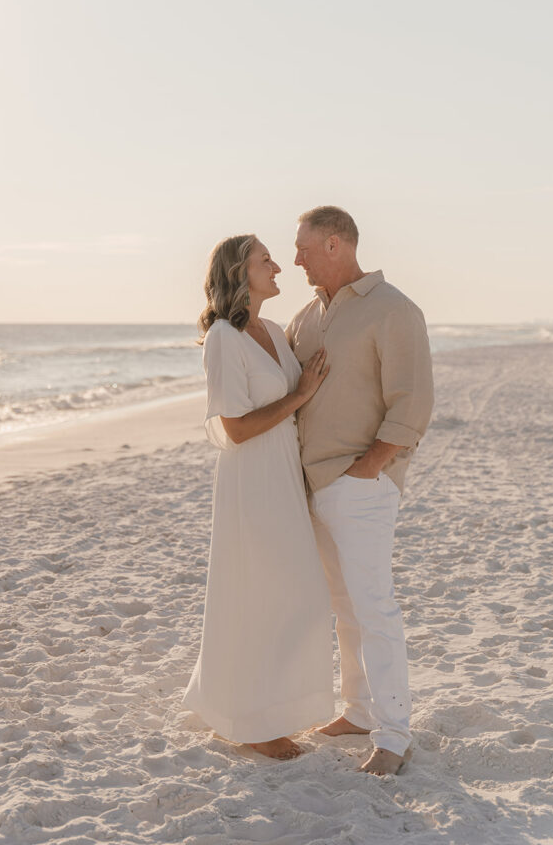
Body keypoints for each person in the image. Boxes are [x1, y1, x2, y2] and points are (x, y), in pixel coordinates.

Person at [287, 206, 434, 776]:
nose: (294, 257)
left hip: (361, 483)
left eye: (302, 247)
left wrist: (369, 468)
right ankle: (358, 709)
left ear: (333, 244)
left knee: (374, 608)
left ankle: (394, 736)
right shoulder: (306, 317)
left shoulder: (394, 309)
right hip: (314, 484)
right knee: (344, 607)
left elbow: (413, 401)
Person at [183, 234, 334, 760]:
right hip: (252, 480)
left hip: (285, 477)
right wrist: (298, 396)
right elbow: (237, 428)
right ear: (238, 273)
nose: (277, 267)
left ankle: (264, 710)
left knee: (298, 596)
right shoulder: (225, 337)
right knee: (263, 593)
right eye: (264, 260)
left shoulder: (274, 329)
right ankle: (251, 722)